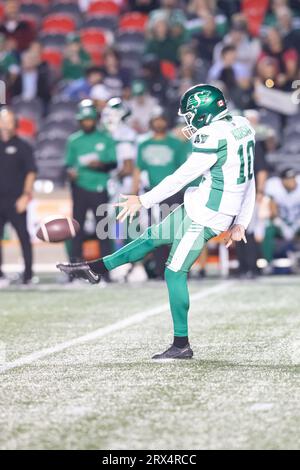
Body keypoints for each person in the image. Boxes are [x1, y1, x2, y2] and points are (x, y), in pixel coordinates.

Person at [57, 84, 256, 360]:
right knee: (150, 237)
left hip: (207, 214)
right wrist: (242, 220)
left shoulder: (213, 135)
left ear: (204, 113)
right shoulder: (242, 124)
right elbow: (250, 178)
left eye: (191, 114)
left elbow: (181, 176)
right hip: (203, 202)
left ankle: (181, 344)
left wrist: (143, 200)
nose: (188, 120)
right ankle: (95, 269)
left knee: (174, 272)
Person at [132, 110, 189, 278]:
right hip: (153, 194)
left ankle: (179, 268)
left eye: (161, 120)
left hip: (173, 193)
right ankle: (159, 268)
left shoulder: (176, 143)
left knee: (178, 232)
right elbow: (138, 170)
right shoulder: (144, 144)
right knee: (156, 232)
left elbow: (183, 169)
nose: (158, 124)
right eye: (155, 120)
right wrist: (133, 194)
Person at [65, 100, 117, 278]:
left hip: (99, 187)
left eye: (89, 119)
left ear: (95, 120)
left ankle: (106, 271)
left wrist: (99, 164)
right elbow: (67, 165)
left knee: (102, 230)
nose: (87, 122)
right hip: (79, 188)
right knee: (76, 230)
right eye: (84, 120)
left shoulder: (105, 138)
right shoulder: (74, 140)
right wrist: (70, 173)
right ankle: (75, 271)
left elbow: (113, 163)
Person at [0, 107, 36, 286]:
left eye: (8, 121)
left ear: (15, 124)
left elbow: (31, 172)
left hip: (16, 199)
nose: (5, 124)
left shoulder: (23, 146)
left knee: (23, 236)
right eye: (2, 121)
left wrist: (25, 196)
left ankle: (28, 274)